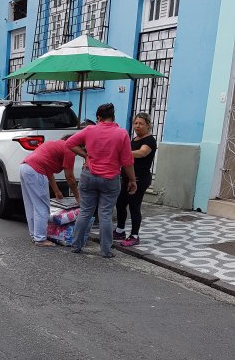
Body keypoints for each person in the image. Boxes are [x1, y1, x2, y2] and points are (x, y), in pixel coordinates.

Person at [66, 103, 137, 258]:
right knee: (105, 214)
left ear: (98, 117)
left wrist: (85, 155)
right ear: (113, 117)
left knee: (85, 211)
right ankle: (106, 250)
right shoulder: (121, 134)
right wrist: (132, 180)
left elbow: (69, 143)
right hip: (110, 179)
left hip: (89, 175)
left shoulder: (90, 129)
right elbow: (127, 161)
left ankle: (76, 245)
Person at [19, 138, 80, 247]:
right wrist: (78, 197)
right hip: (36, 170)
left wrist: (56, 190)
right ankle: (40, 239)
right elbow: (70, 178)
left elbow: (49, 171)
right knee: (42, 207)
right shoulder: (70, 150)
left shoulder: (55, 144)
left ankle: (35, 235)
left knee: (31, 205)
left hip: (25, 167)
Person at [114, 112, 157, 247]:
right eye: (135, 123)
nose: (137, 126)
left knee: (134, 206)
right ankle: (120, 230)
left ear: (148, 125)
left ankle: (134, 235)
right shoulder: (134, 139)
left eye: (141, 124)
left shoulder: (149, 140)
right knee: (120, 204)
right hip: (127, 178)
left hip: (140, 178)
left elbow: (142, 153)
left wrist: (123, 154)